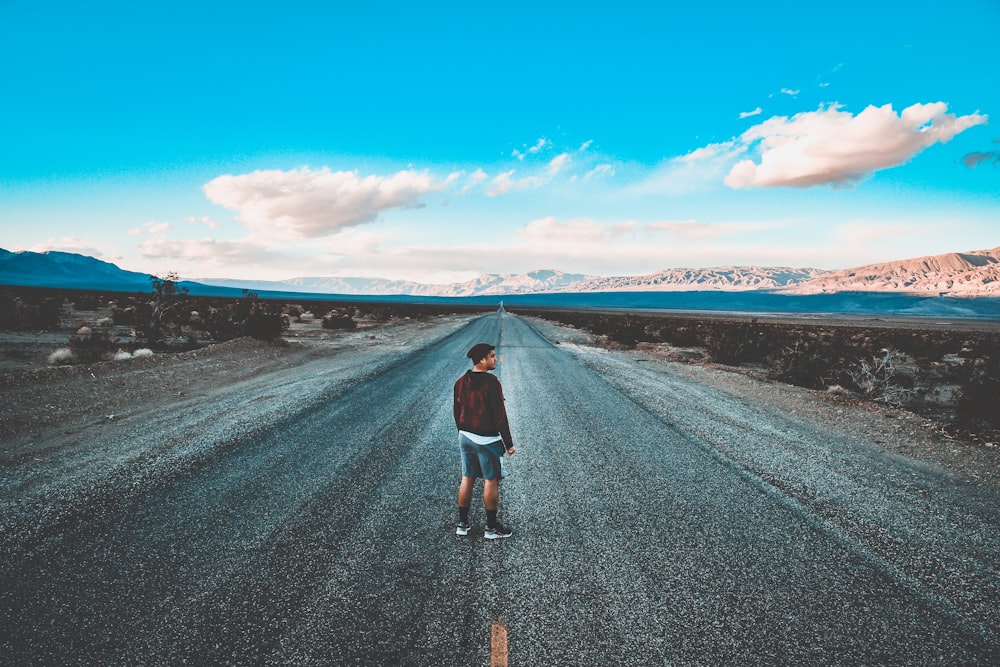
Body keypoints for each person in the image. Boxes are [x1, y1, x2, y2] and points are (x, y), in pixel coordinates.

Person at [453, 342, 516, 539]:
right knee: (491, 481)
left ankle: (462, 525)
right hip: (486, 439)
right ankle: (490, 529)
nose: (495, 359)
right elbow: (500, 416)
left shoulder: (460, 382)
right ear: (481, 360)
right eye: (492, 356)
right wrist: (509, 443)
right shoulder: (492, 383)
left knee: (467, 478)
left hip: (465, 436)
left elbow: (457, 412)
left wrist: (461, 432)